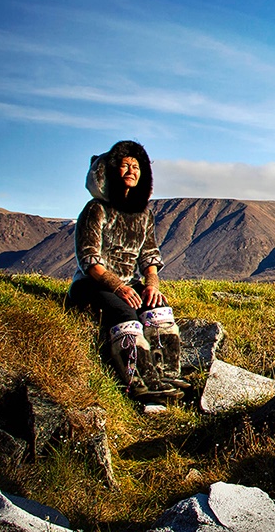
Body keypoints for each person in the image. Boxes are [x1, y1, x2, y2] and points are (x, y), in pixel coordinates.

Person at [66, 140, 187, 402]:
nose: (131, 170)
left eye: (136, 166)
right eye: (124, 165)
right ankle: (139, 382)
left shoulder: (143, 214)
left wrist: (151, 284)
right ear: (110, 171)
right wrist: (117, 286)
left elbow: (149, 256)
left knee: (158, 310)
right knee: (125, 312)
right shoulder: (95, 210)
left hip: (128, 283)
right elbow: (89, 259)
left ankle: (167, 373)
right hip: (92, 284)